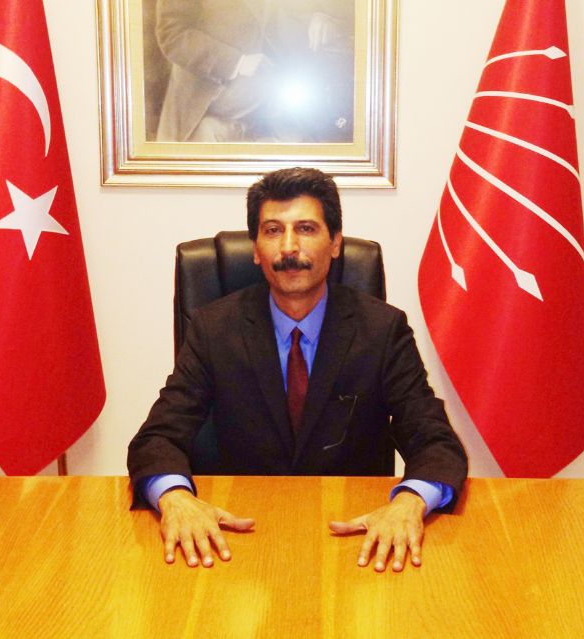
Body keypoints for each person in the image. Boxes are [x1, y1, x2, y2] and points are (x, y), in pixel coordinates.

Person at [127, 167, 467, 572]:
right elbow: (156, 438)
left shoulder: (382, 330)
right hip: (236, 540)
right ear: (256, 249)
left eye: (306, 229)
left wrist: (410, 502)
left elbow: (435, 442)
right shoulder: (213, 329)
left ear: (335, 243)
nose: (289, 247)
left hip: (354, 542)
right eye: (273, 231)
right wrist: (175, 498)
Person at [154, 0, 354, 143]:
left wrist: (319, 16)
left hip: (275, 98)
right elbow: (172, 34)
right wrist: (237, 62)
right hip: (210, 97)